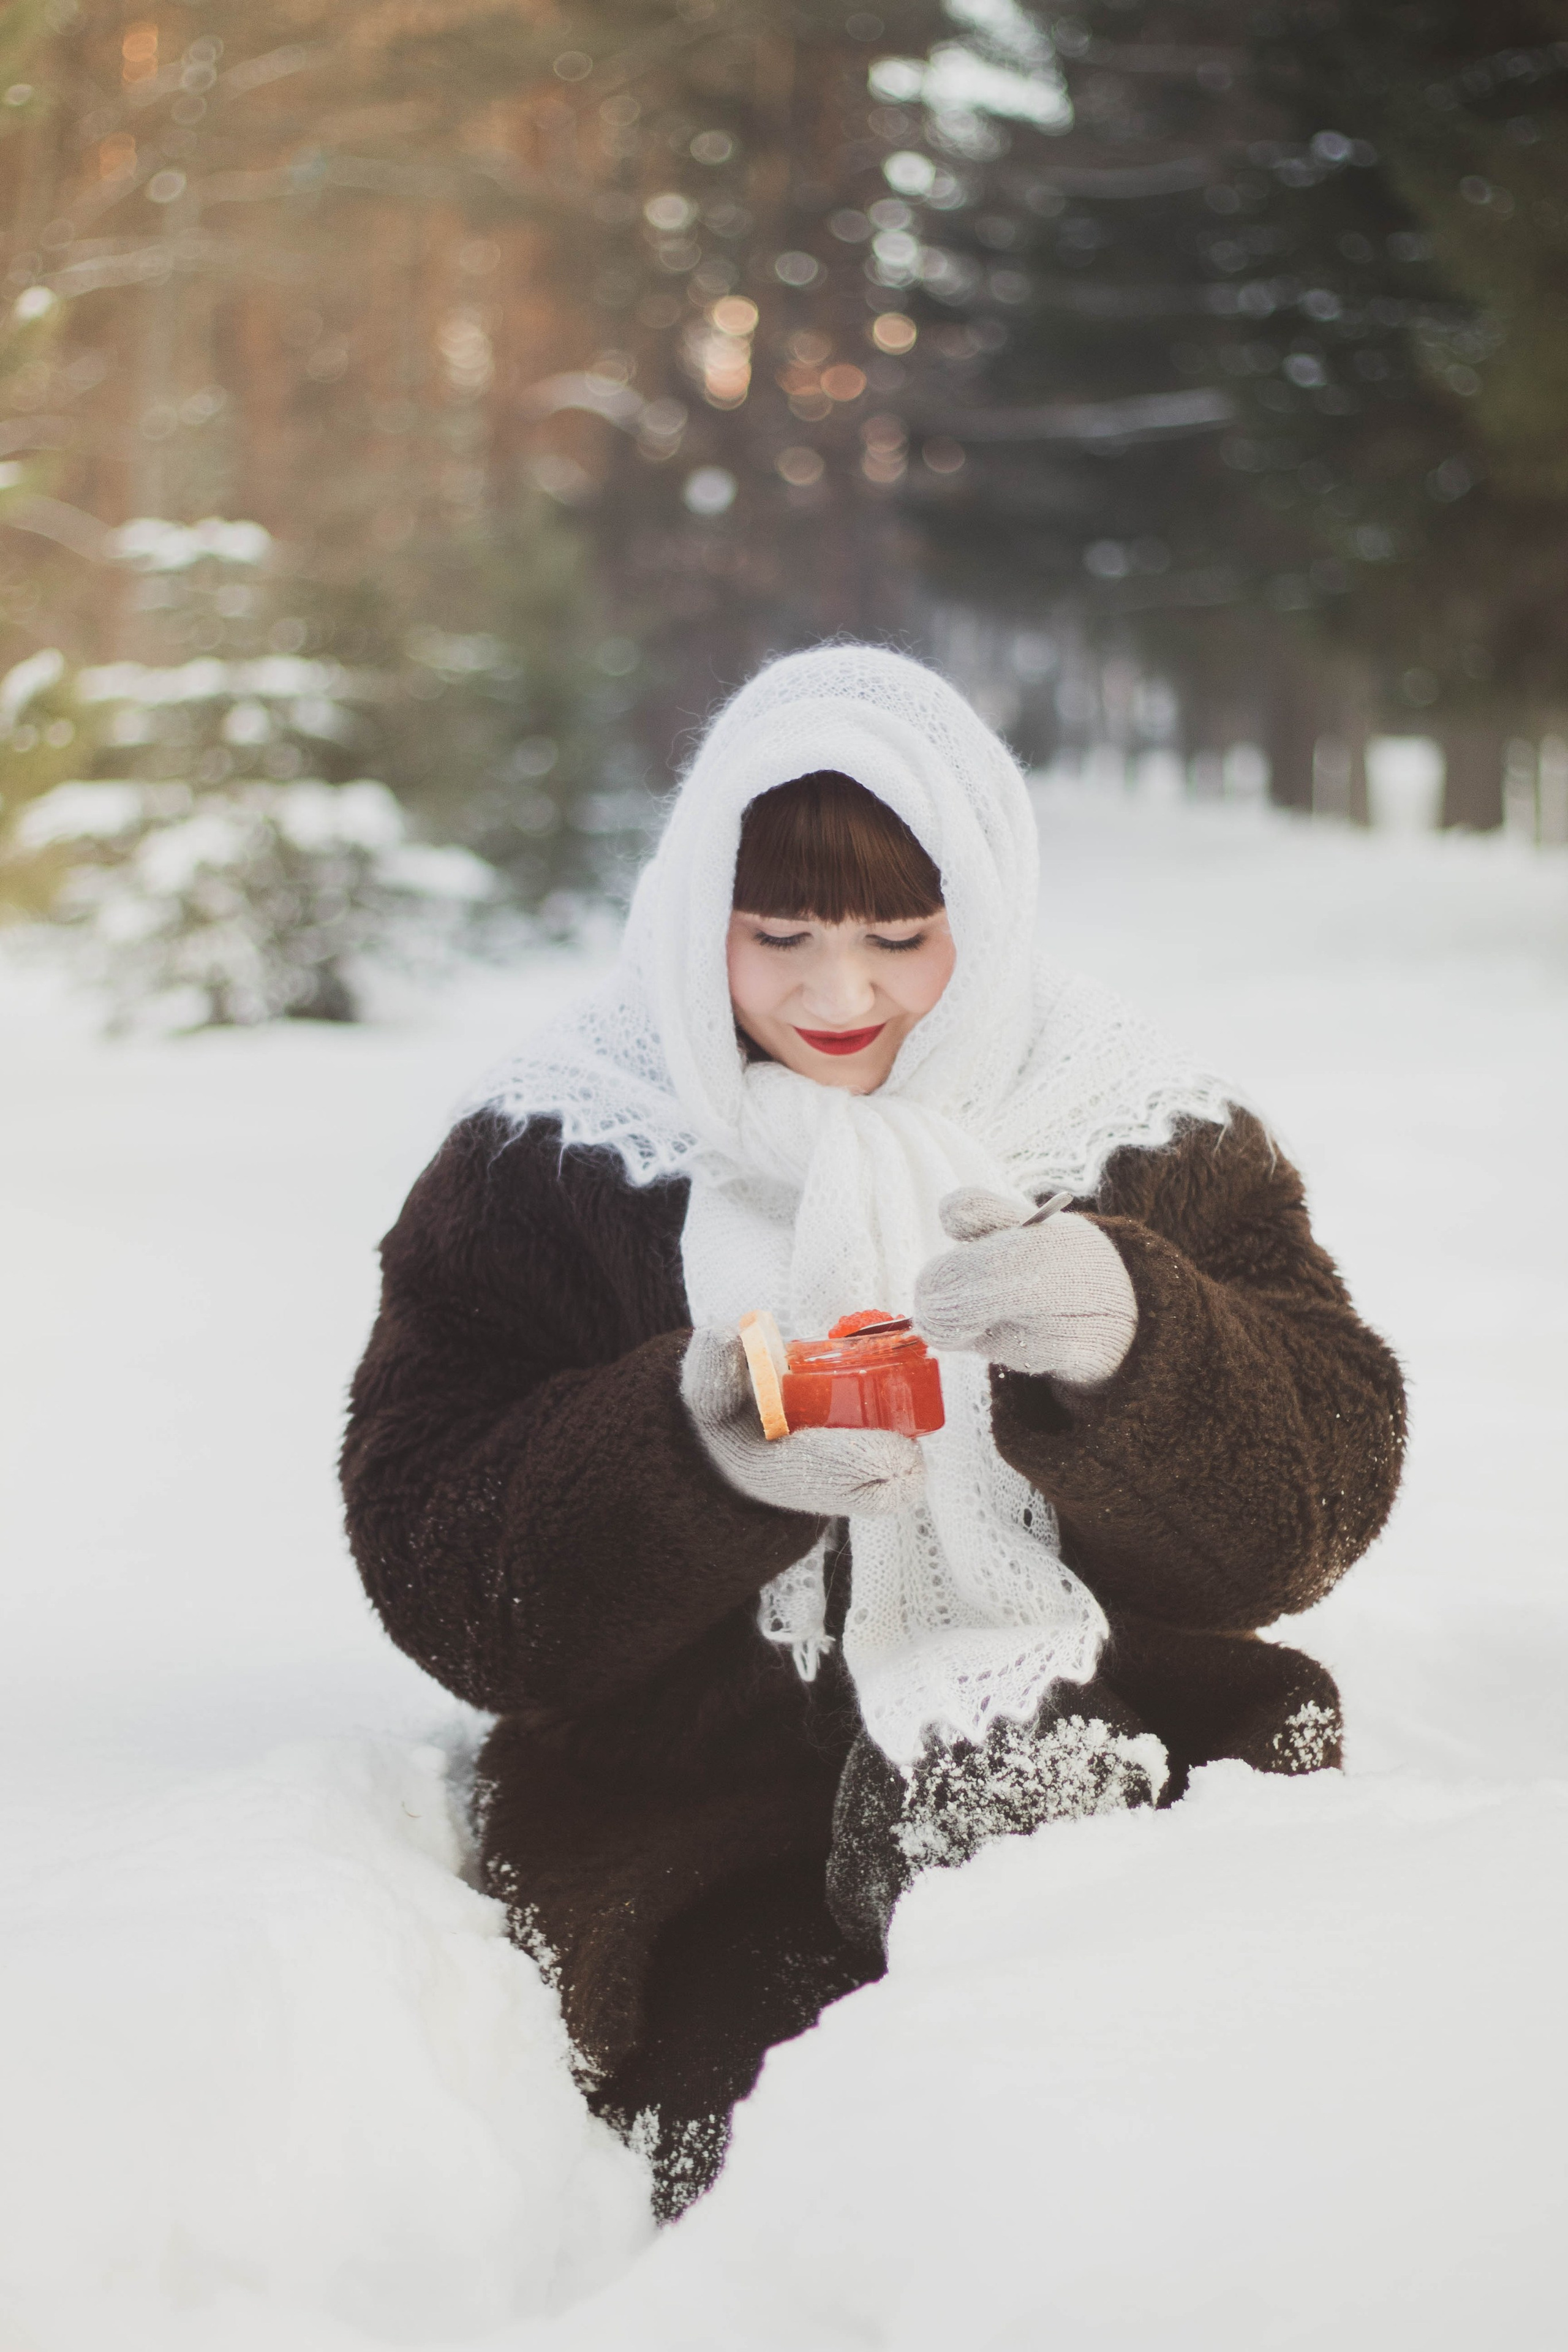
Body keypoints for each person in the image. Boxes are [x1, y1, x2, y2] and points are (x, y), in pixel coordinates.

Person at [341, 647, 1404, 2220]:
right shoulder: (555, 1155)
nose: (837, 999)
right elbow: (440, 1566)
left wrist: (1140, 1343)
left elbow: (1312, 1510)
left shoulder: (1131, 1128)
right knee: (817, 2193)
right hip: (701, 1839)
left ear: (983, 912)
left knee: (1166, 2142)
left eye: (898, 939)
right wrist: (688, 1464)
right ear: (694, 910)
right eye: (776, 936)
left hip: (1130, 1755)